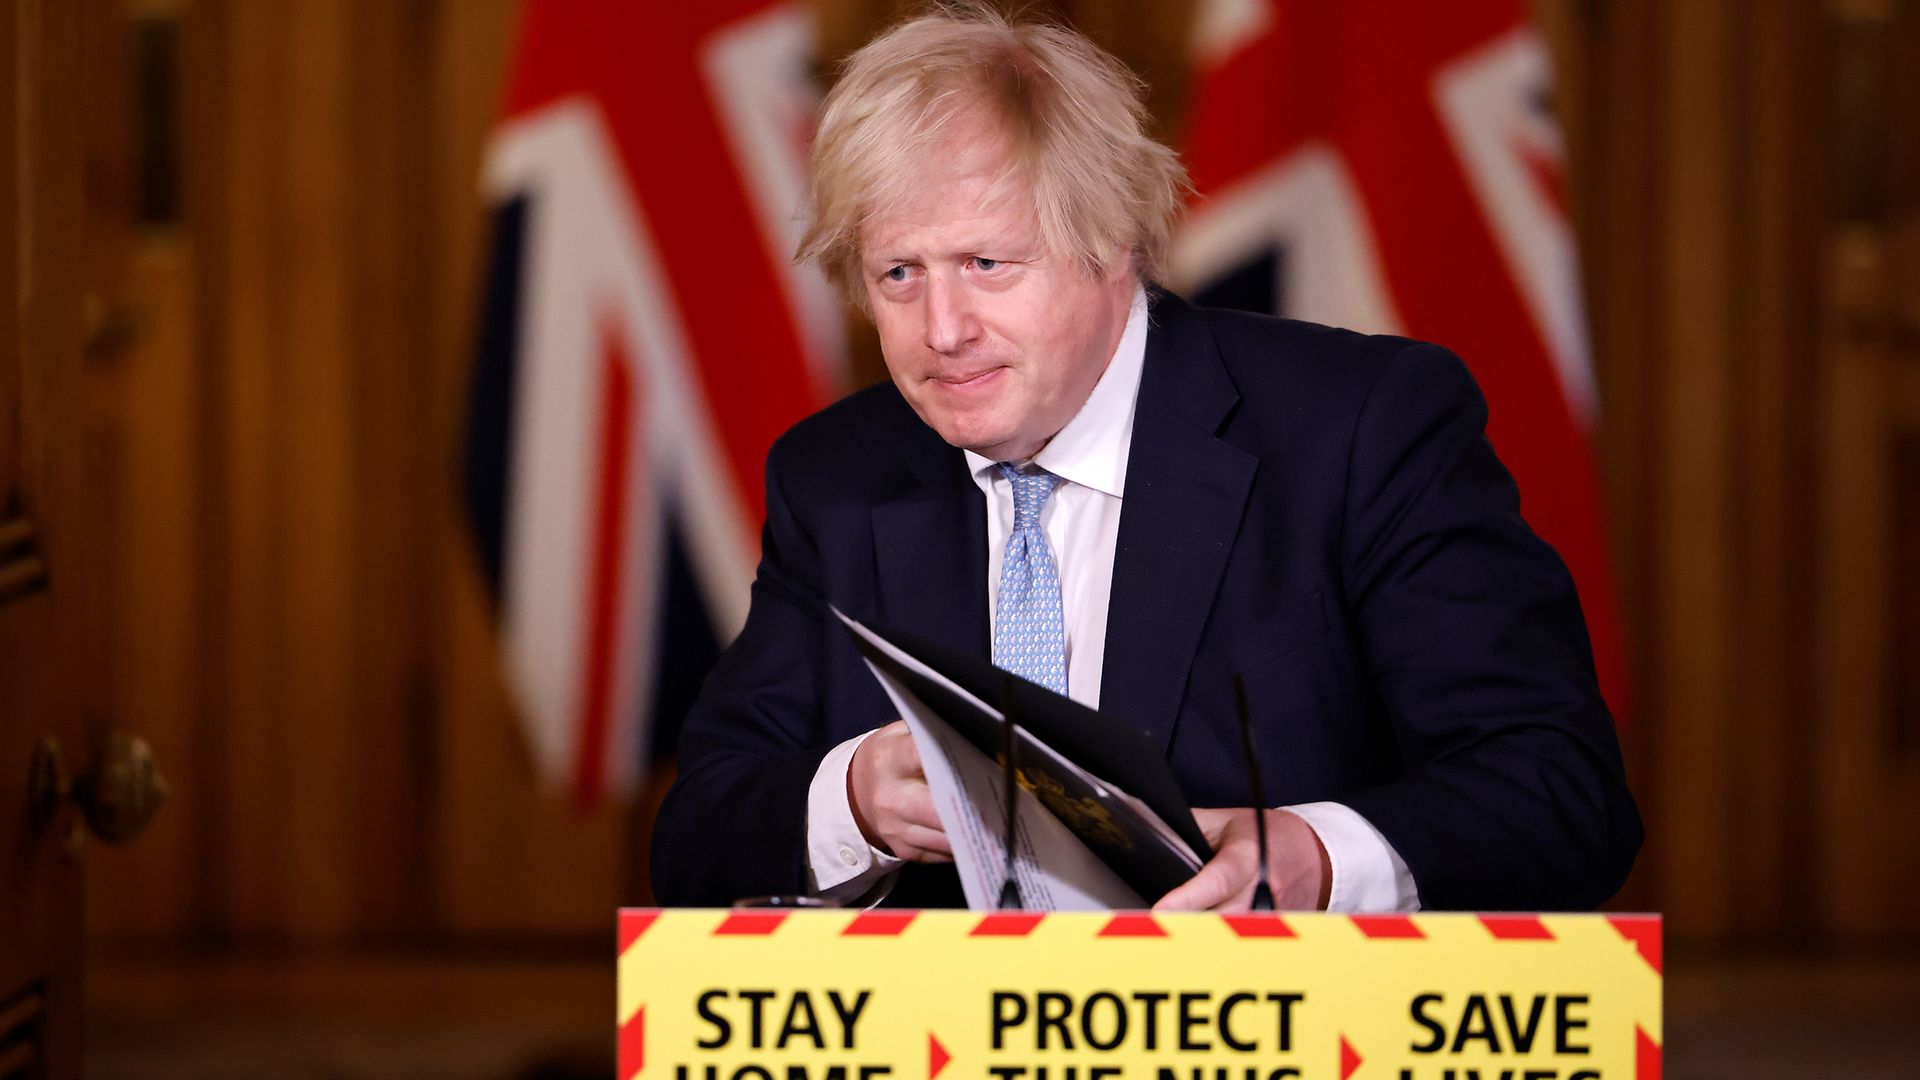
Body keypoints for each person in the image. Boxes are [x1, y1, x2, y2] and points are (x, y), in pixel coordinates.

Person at [651, 6, 1640, 912]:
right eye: (899, 273)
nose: (940, 329)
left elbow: (1559, 794)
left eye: (988, 264)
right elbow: (702, 832)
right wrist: (853, 801)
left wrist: (1316, 855)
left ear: (1112, 239)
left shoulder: (1360, 431)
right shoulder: (839, 475)